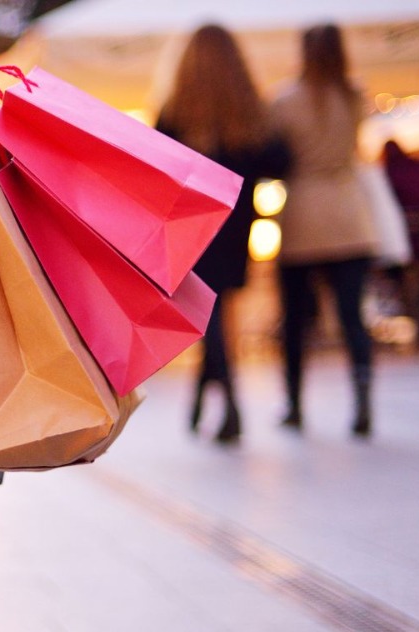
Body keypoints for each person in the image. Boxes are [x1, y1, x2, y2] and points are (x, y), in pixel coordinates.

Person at [157, 24, 290, 444]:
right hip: (236, 225)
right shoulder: (249, 110)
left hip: (190, 225)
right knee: (216, 312)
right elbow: (278, 161)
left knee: (207, 314)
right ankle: (205, 400)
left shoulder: (174, 110)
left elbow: (158, 165)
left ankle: (228, 402)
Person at [271, 23, 379, 437]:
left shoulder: (284, 100)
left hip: (303, 212)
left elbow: (276, 153)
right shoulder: (355, 95)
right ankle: (363, 396)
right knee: (353, 317)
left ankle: (295, 404)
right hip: (349, 211)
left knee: (296, 319)